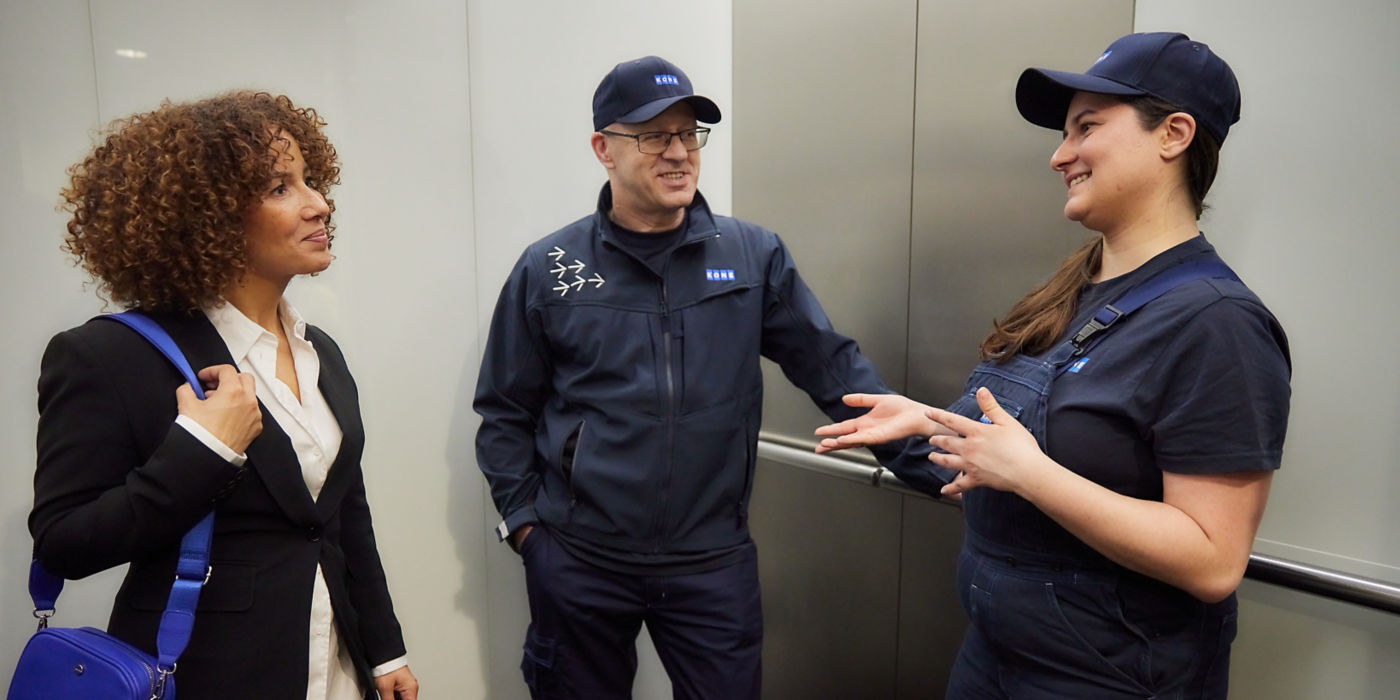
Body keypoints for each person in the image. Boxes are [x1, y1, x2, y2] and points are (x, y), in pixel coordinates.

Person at [815, 32, 1291, 699]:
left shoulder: (1218, 323)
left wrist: (1030, 475)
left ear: (1174, 133)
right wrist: (923, 420)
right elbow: (1039, 442)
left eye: (1085, 128)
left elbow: (1211, 559)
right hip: (993, 658)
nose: (1058, 156)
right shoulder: (1073, 288)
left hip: (1107, 680)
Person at [473, 55, 928, 699]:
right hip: (581, 559)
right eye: (655, 136)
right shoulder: (551, 268)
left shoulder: (752, 256)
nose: (679, 153)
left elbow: (835, 370)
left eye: (689, 134)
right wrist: (527, 530)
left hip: (709, 560)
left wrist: (943, 468)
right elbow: (504, 410)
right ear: (604, 148)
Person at [30, 91, 419, 700]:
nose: (319, 204)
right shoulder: (110, 356)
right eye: (280, 188)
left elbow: (343, 518)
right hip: (206, 675)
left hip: (334, 672)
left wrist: (383, 651)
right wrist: (204, 447)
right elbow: (65, 543)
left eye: (310, 180)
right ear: (206, 216)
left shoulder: (322, 352)